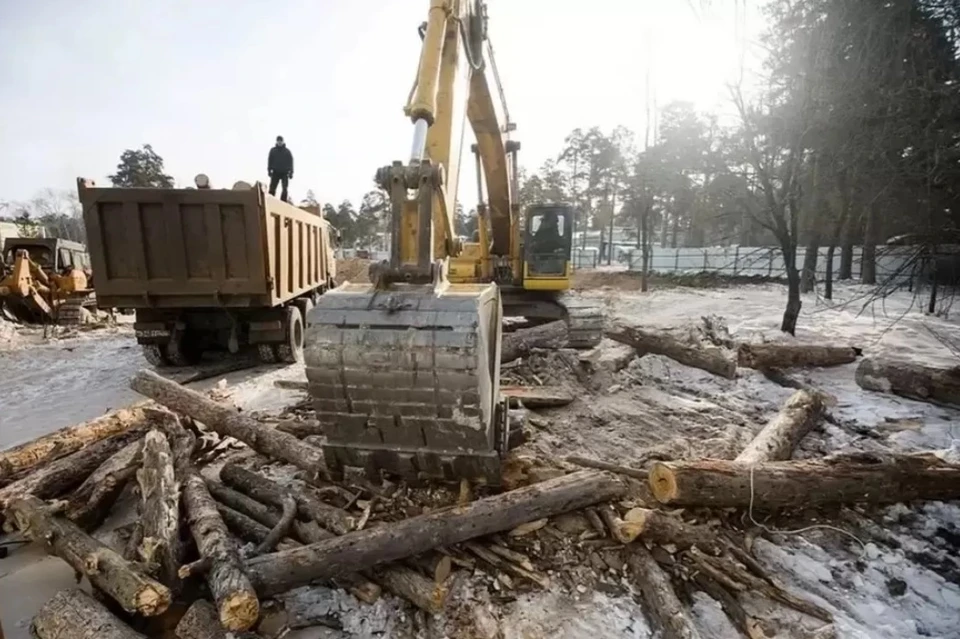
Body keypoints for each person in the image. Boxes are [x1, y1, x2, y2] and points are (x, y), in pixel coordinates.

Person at [268, 135, 294, 202]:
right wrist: (269, 170)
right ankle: (270, 200)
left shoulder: (287, 151)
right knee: (272, 188)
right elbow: (270, 160)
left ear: (283, 142)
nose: (279, 142)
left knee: (284, 189)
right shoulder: (273, 151)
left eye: (280, 141)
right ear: (277, 142)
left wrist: (291, 172)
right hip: (275, 171)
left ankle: (283, 202)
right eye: (278, 141)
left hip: (284, 173)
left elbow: (291, 162)